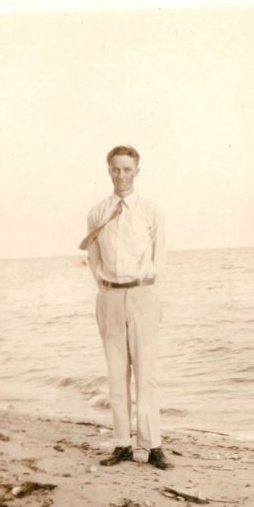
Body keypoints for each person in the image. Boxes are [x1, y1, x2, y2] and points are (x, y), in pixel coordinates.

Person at [79, 145, 172, 470]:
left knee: (146, 373)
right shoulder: (97, 212)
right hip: (109, 298)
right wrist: (107, 289)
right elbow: (93, 258)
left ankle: (152, 445)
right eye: (116, 169)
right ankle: (121, 443)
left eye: (127, 170)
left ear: (136, 172)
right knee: (116, 373)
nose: (121, 175)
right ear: (109, 171)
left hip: (143, 295)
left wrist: (141, 287)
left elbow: (159, 257)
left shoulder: (151, 210)